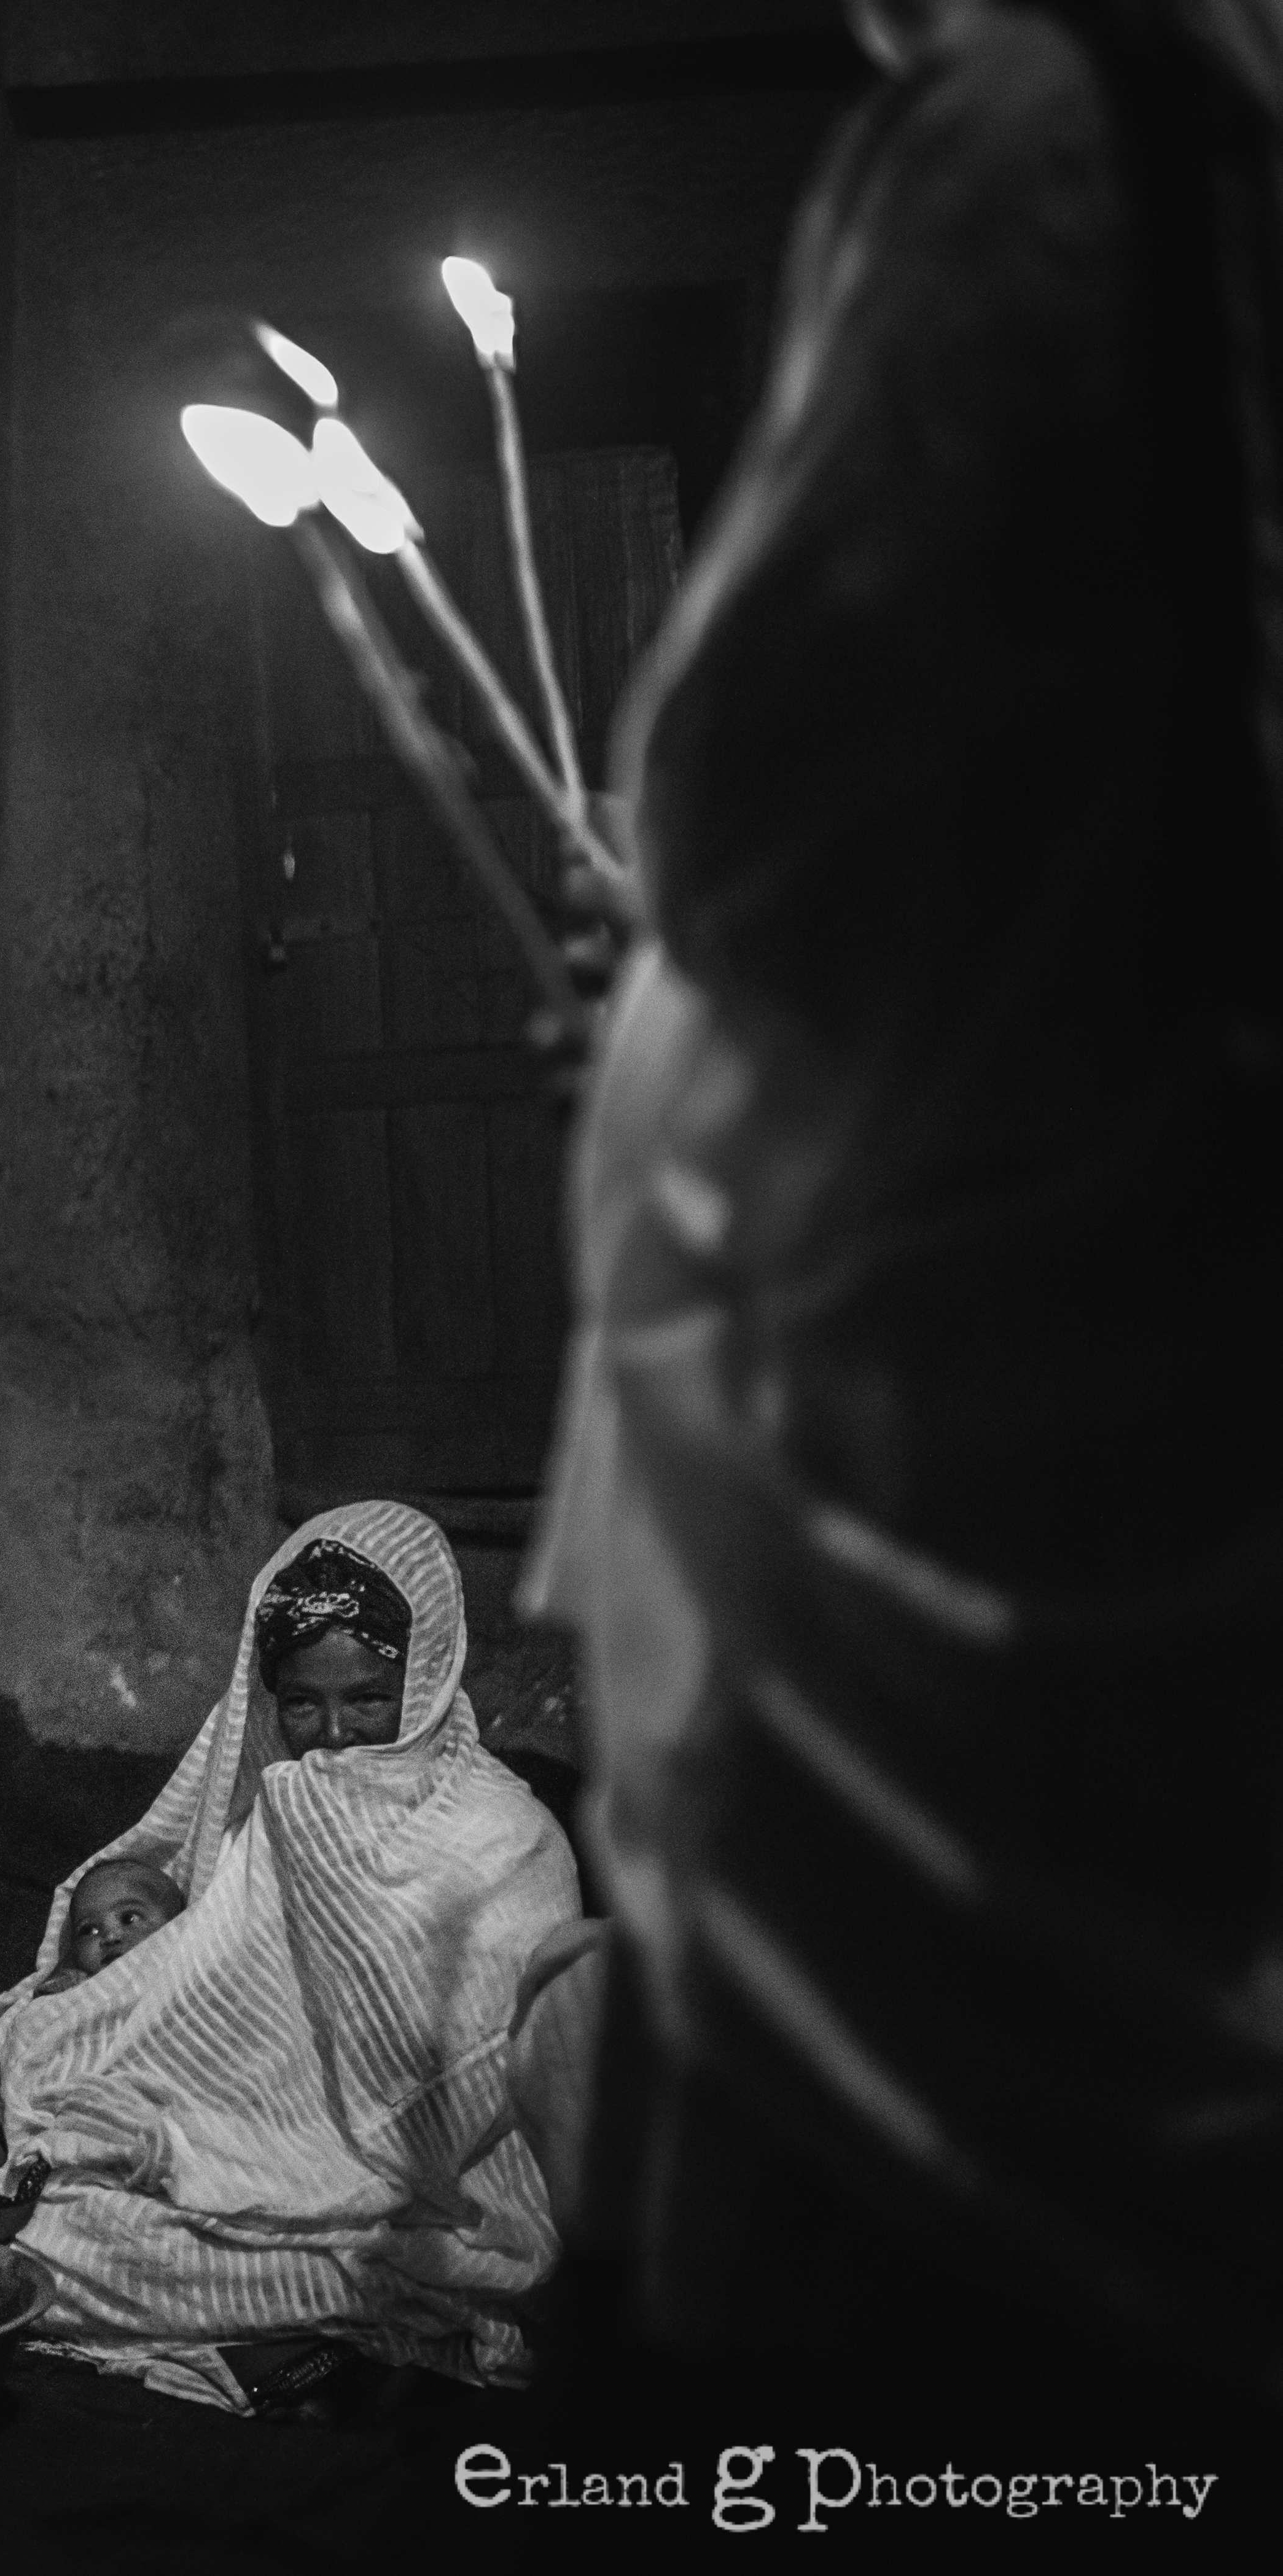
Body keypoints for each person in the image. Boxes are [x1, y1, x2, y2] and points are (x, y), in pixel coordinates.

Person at [531, 0, 1283, 2416]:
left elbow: (791, 760)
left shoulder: (1045, 129)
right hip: (1137, 1265)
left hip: (1007, 1394)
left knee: (894, 2292)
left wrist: (677, 930)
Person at [0, 1503, 580, 2413]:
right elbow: (197, 1994)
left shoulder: (505, 1840)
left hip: (409, 2200)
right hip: (218, 2156)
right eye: (300, 1703)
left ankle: (296, 2320)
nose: (331, 1735)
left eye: (367, 1698)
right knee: (23, 2230)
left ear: (432, 1670)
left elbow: (465, 2083)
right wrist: (130, 2096)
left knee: (23, 2257)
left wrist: (293, 2160)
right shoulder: (272, 1811)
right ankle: (275, 2331)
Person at [33, 1856, 185, 1997]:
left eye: (129, 1919)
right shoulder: (80, 1984)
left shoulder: (183, 1958)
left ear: (174, 1922)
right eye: (89, 1930)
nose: (110, 1937)